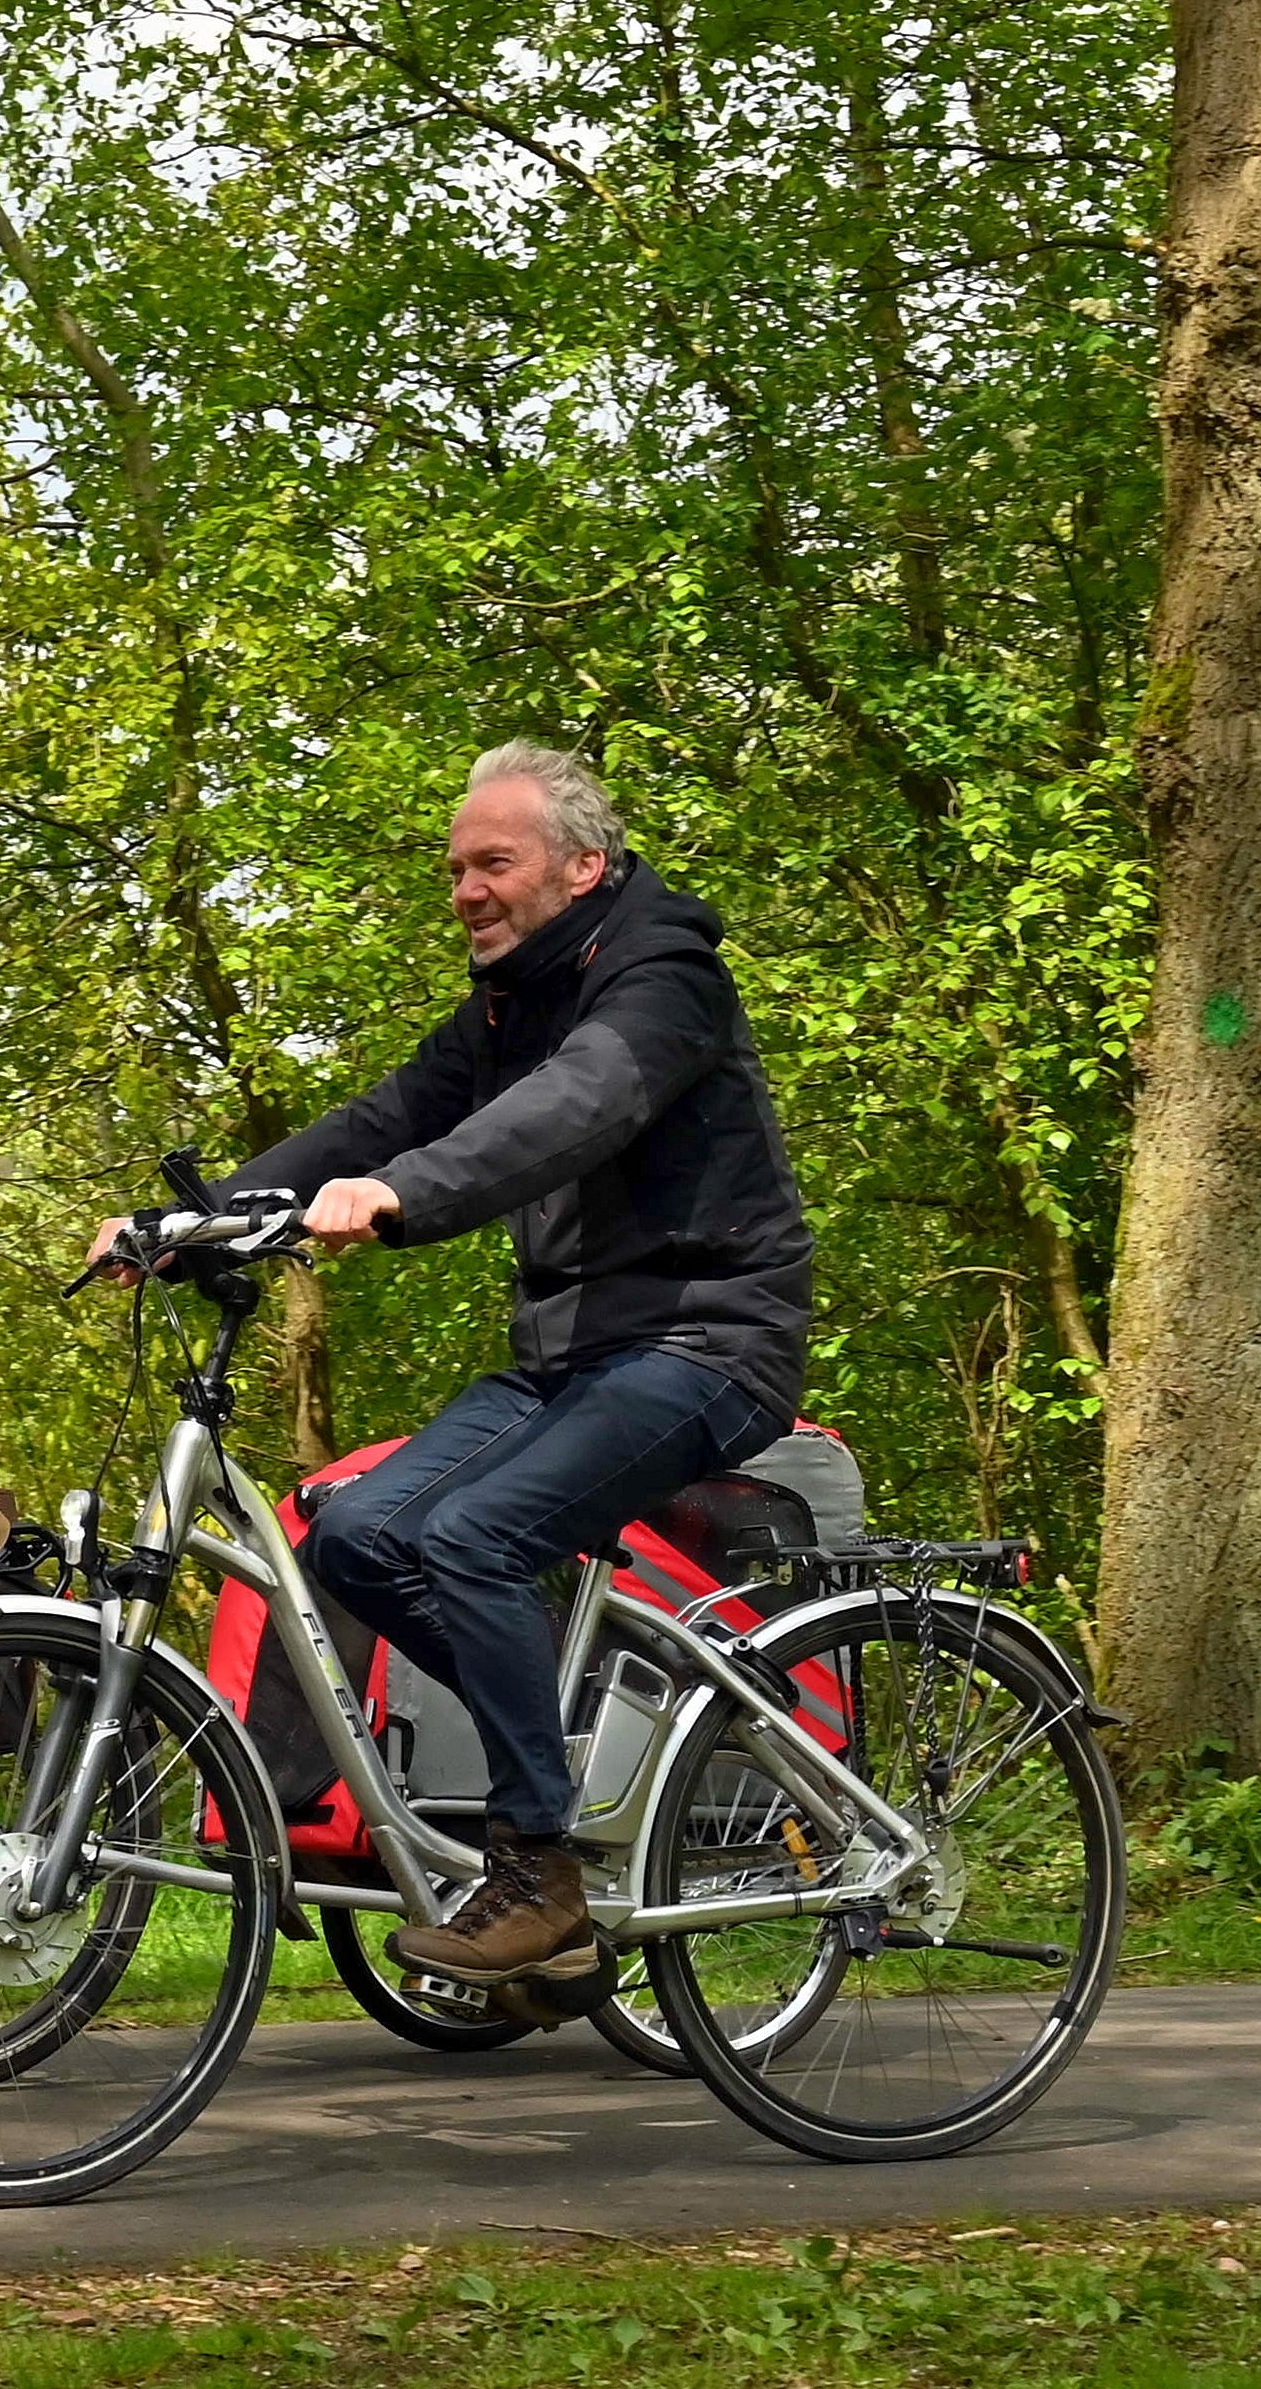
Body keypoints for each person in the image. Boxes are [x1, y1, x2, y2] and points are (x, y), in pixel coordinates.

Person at [98, 744, 812, 1985]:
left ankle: (538, 1865)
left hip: (705, 1343)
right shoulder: (506, 1003)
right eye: (456, 870)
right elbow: (385, 1115)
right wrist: (192, 1218)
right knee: (359, 1543)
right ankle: (551, 1768)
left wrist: (400, 1196)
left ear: (583, 868)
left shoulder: (662, 978)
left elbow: (576, 1105)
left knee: (470, 1538)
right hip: (572, 1358)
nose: (466, 890)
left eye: (495, 862)